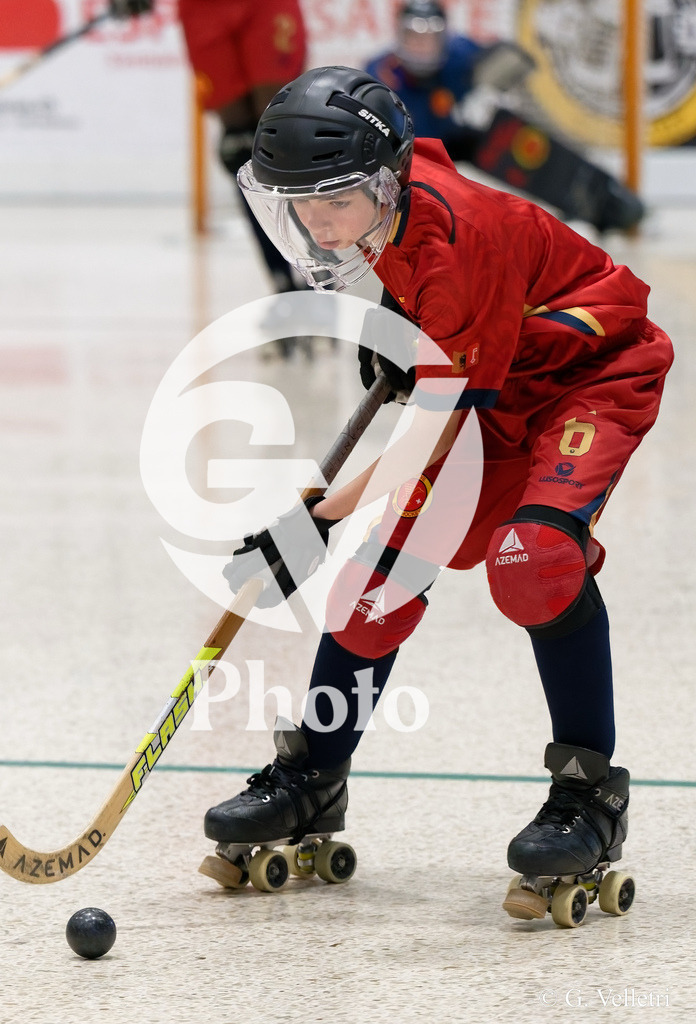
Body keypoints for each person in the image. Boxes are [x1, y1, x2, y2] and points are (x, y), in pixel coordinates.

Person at [201, 65, 674, 914]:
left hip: (589, 376)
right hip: (496, 377)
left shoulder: (459, 244)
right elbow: (434, 326)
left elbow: (425, 432)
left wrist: (315, 520)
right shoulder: (391, 197)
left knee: (534, 560)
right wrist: (405, 325)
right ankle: (315, 775)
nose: (318, 223)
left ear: (385, 184)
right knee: (374, 585)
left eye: (335, 202)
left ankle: (589, 795)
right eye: (300, 205)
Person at [365, 0, 644, 233]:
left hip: (462, 143)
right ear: (399, 35)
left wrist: (486, 84)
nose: (421, 46)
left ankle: (600, 198)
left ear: (443, 36)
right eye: (413, 36)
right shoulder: (380, 74)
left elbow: (505, 59)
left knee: (508, 135)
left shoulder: (459, 53)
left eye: (430, 37)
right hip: (413, 162)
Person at [111, 0, 308, 297]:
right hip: (202, 9)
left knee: (280, 131)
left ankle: (320, 262)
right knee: (241, 147)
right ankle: (280, 279)